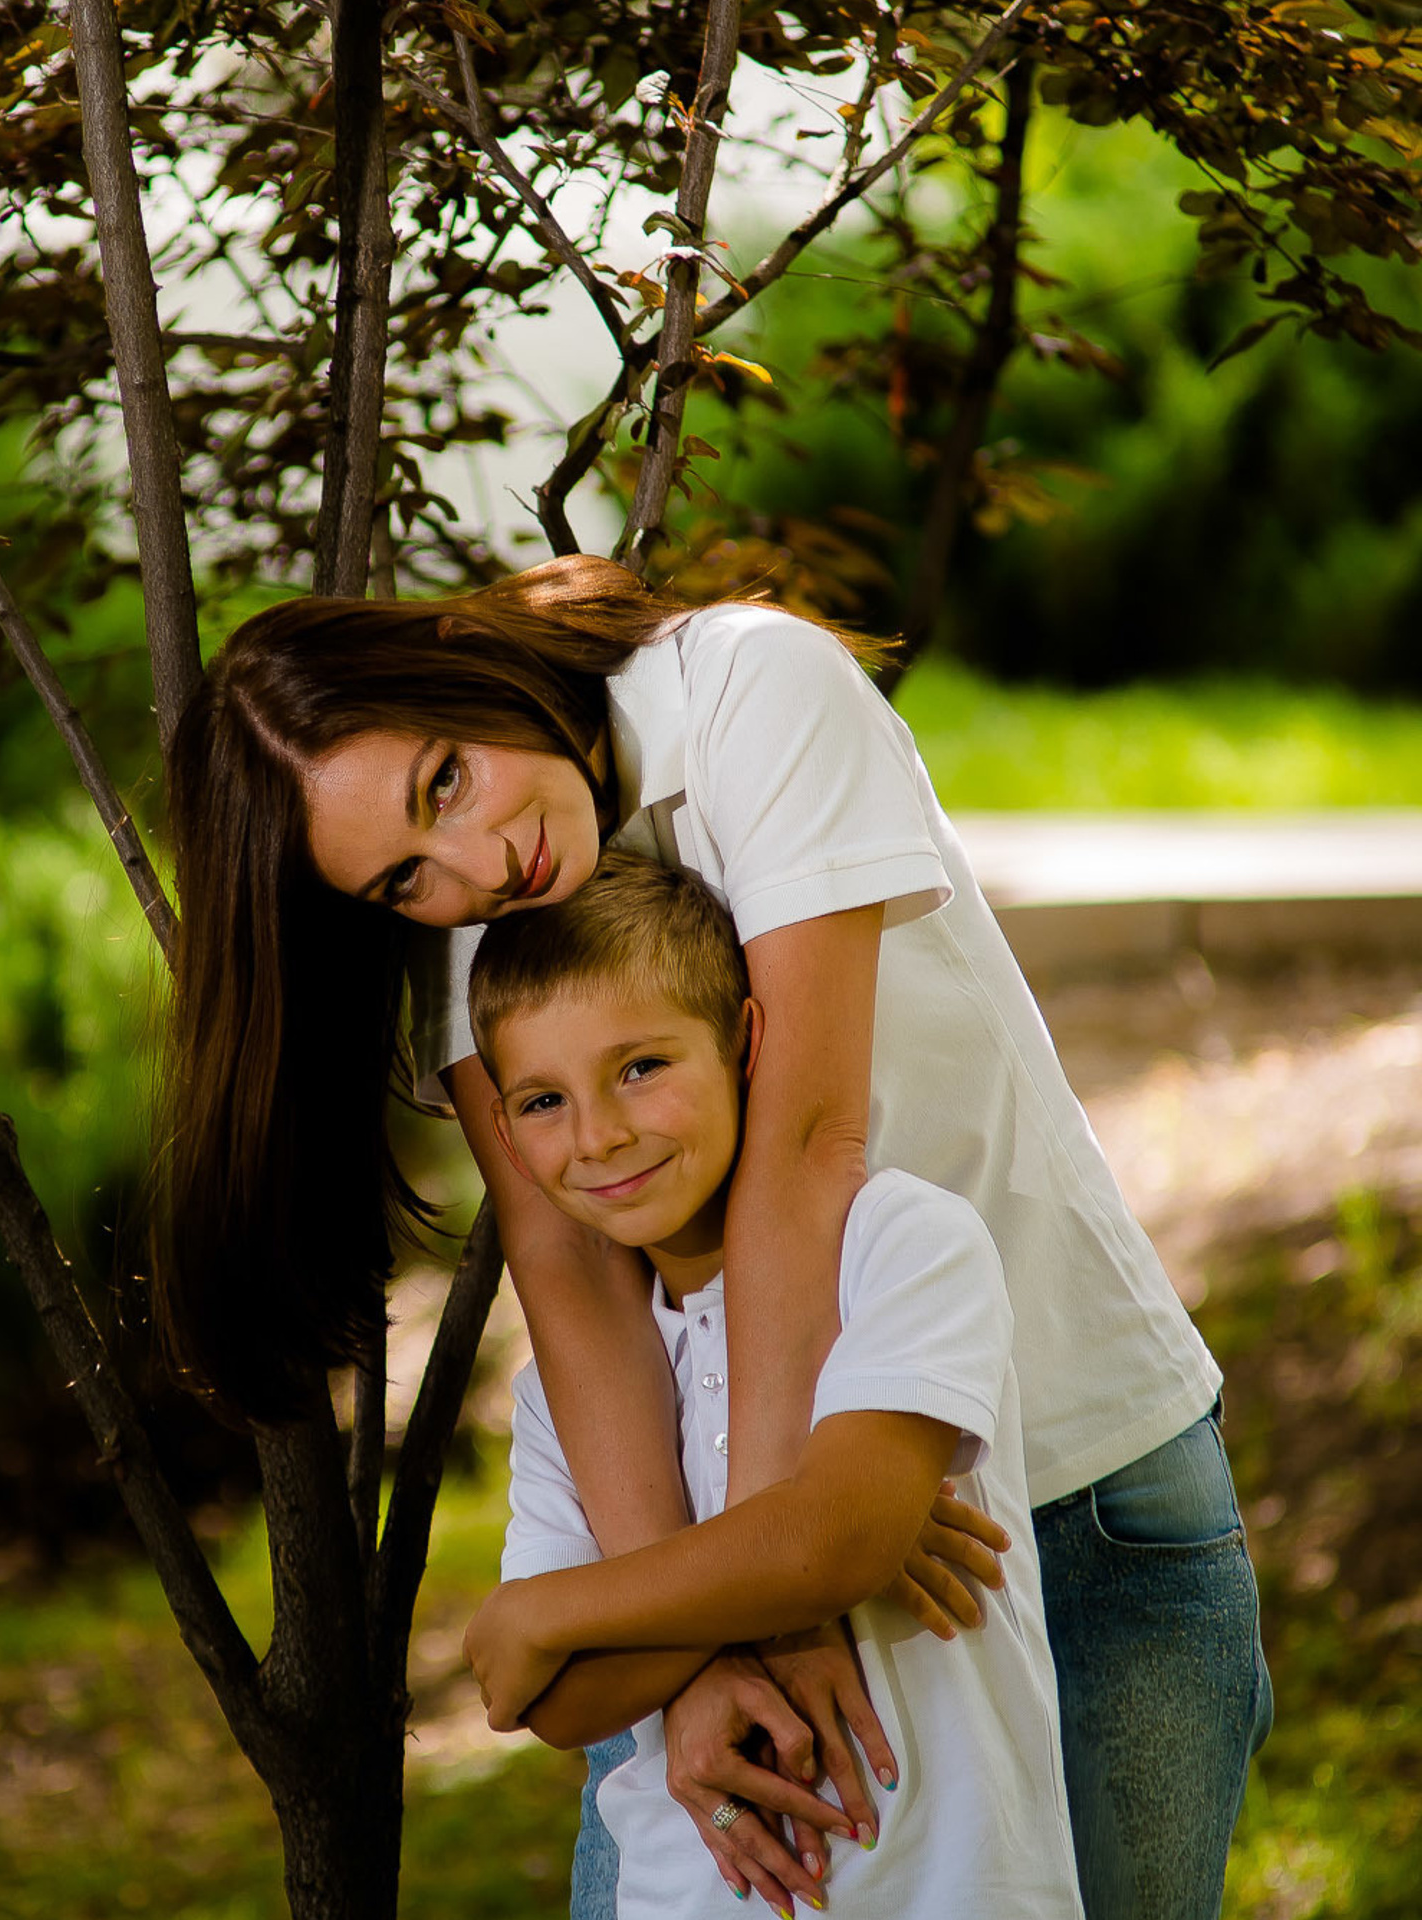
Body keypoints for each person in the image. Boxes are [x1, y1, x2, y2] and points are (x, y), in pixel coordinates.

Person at [158, 554, 1270, 1917]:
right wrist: (698, 1651)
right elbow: (565, 1268)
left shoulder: (755, 687)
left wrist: (780, 1578)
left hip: (1062, 1492)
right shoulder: (474, 906)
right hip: (746, 1535)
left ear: (457, 663)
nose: (475, 863)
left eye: (444, 781)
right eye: (402, 881)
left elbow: (808, 1147)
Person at [460, 851, 1084, 1918]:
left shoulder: (899, 1243)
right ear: (507, 1137)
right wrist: (789, 1558)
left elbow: (831, 1539)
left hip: (952, 1889)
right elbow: (557, 1702)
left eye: (642, 1067)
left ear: (746, 1042)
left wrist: (539, 1614)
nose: (599, 1134)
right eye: (544, 1100)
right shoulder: (564, 1399)